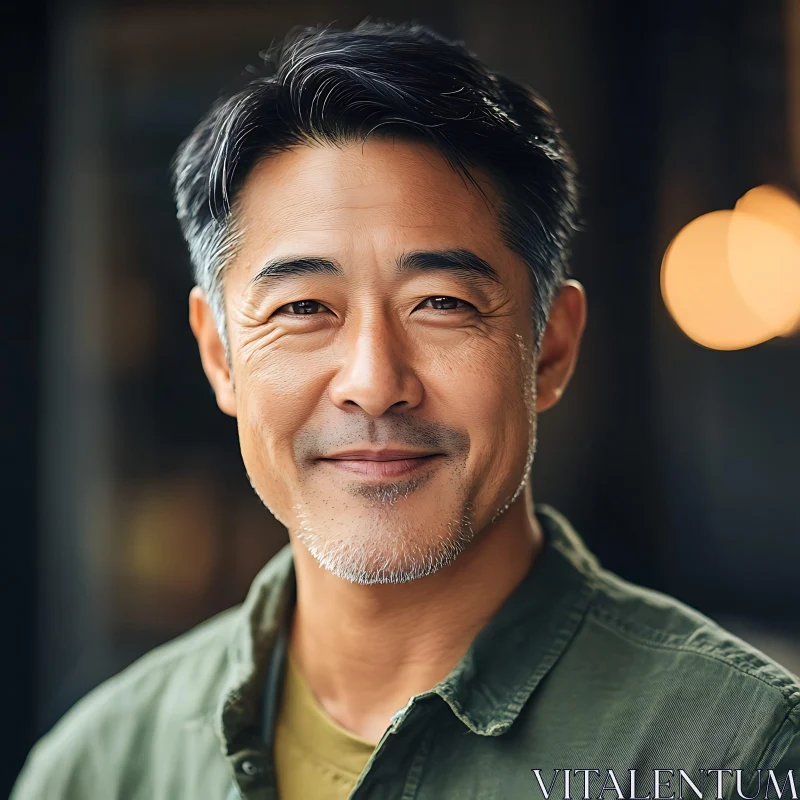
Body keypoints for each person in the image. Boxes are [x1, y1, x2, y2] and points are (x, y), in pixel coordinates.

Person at [12, 19, 800, 800]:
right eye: (302, 309)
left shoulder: (732, 753)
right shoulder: (103, 766)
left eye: (441, 302)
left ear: (550, 350)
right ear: (219, 354)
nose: (373, 380)